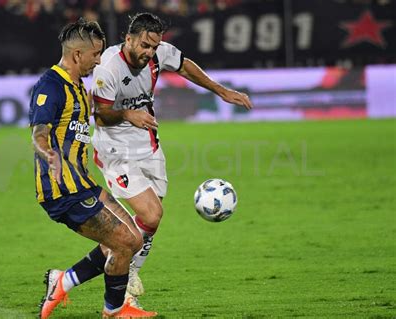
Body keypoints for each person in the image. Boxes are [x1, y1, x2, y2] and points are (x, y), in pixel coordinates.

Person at [91, 12, 253, 305]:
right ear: (128, 39)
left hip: (148, 146)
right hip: (115, 150)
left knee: (146, 222)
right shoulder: (108, 66)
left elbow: (185, 67)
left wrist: (221, 90)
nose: (149, 52)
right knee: (152, 214)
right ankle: (122, 287)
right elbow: (100, 115)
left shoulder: (158, 53)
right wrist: (128, 114)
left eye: (154, 47)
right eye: (144, 45)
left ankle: (71, 277)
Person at [29, 18, 157, 318]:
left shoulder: (77, 86)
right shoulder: (51, 86)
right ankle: (113, 311)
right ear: (77, 55)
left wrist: (125, 112)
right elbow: (39, 132)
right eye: (95, 54)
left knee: (134, 239)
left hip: (83, 184)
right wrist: (49, 155)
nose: (99, 60)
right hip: (61, 191)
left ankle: (63, 281)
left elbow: (96, 113)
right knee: (124, 242)